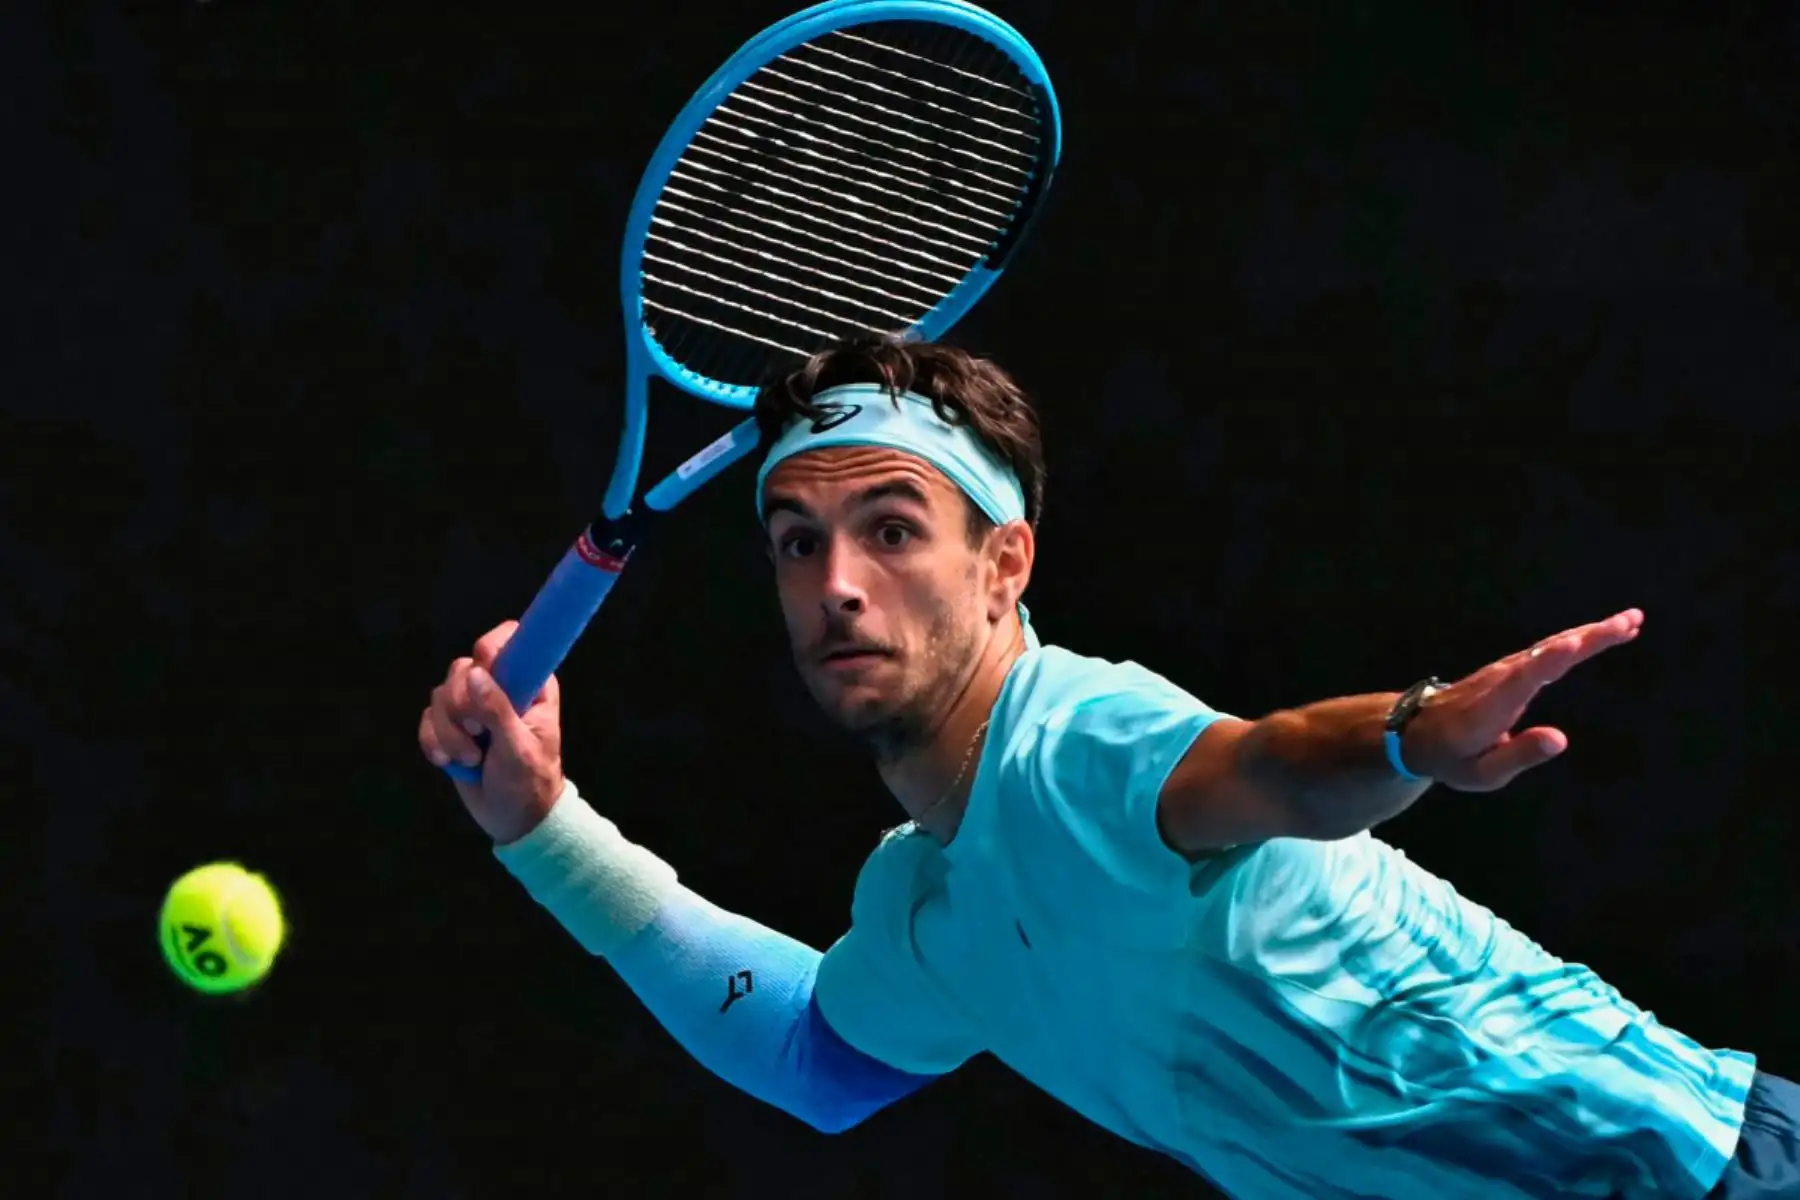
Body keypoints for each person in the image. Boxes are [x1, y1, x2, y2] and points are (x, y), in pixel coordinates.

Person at [418, 334, 1797, 1198]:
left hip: (1700, 1163)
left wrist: (1408, 731)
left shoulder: (1072, 742)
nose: (838, 585)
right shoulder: (929, 910)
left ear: (1004, 563)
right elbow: (812, 1058)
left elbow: (1268, 770)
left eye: (892, 531)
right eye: (796, 541)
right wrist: (549, 833)